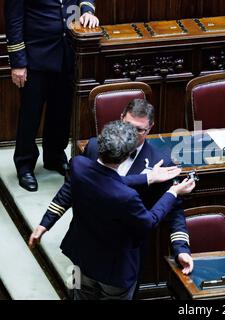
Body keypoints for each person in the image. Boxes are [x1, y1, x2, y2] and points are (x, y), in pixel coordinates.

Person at [29, 99, 193, 293]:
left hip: (121, 259)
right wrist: (46, 221)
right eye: (128, 126)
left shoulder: (161, 163)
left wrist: (181, 249)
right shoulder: (95, 146)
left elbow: (174, 211)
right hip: (85, 251)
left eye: (139, 130)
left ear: (150, 129)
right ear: (120, 118)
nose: (131, 134)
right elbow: (72, 188)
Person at [4, 1, 100, 192]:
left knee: (61, 109)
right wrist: (18, 63)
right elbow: (13, 20)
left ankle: (55, 156)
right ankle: (25, 165)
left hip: (67, 52)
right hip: (35, 54)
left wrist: (88, 10)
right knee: (31, 114)